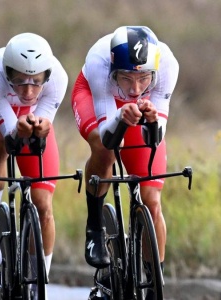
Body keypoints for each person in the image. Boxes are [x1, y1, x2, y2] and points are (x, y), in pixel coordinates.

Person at [71, 26, 179, 274]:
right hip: (96, 96)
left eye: (143, 78)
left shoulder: (167, 66)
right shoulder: (99, 61)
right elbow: (109, 137)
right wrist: (120, 116)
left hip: (136, 108)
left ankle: (154, 285)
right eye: (127, 78)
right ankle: (94, 227)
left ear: (154, 72)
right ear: (114, 71)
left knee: (152, 201)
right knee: (104, 148)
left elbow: (155, 139)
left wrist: (152, 121)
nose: (135, 88)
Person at [0, 32, 68, 281]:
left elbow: (40, 131)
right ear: (8, 73)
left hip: (30, 115)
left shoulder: (58, 77)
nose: (29, 91)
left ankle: (40, 280)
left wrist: (40, 129)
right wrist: (18, 130)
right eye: (20, 81)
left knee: (43, 204)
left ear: (46, 77)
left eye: (36, 82)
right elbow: (11, 136)